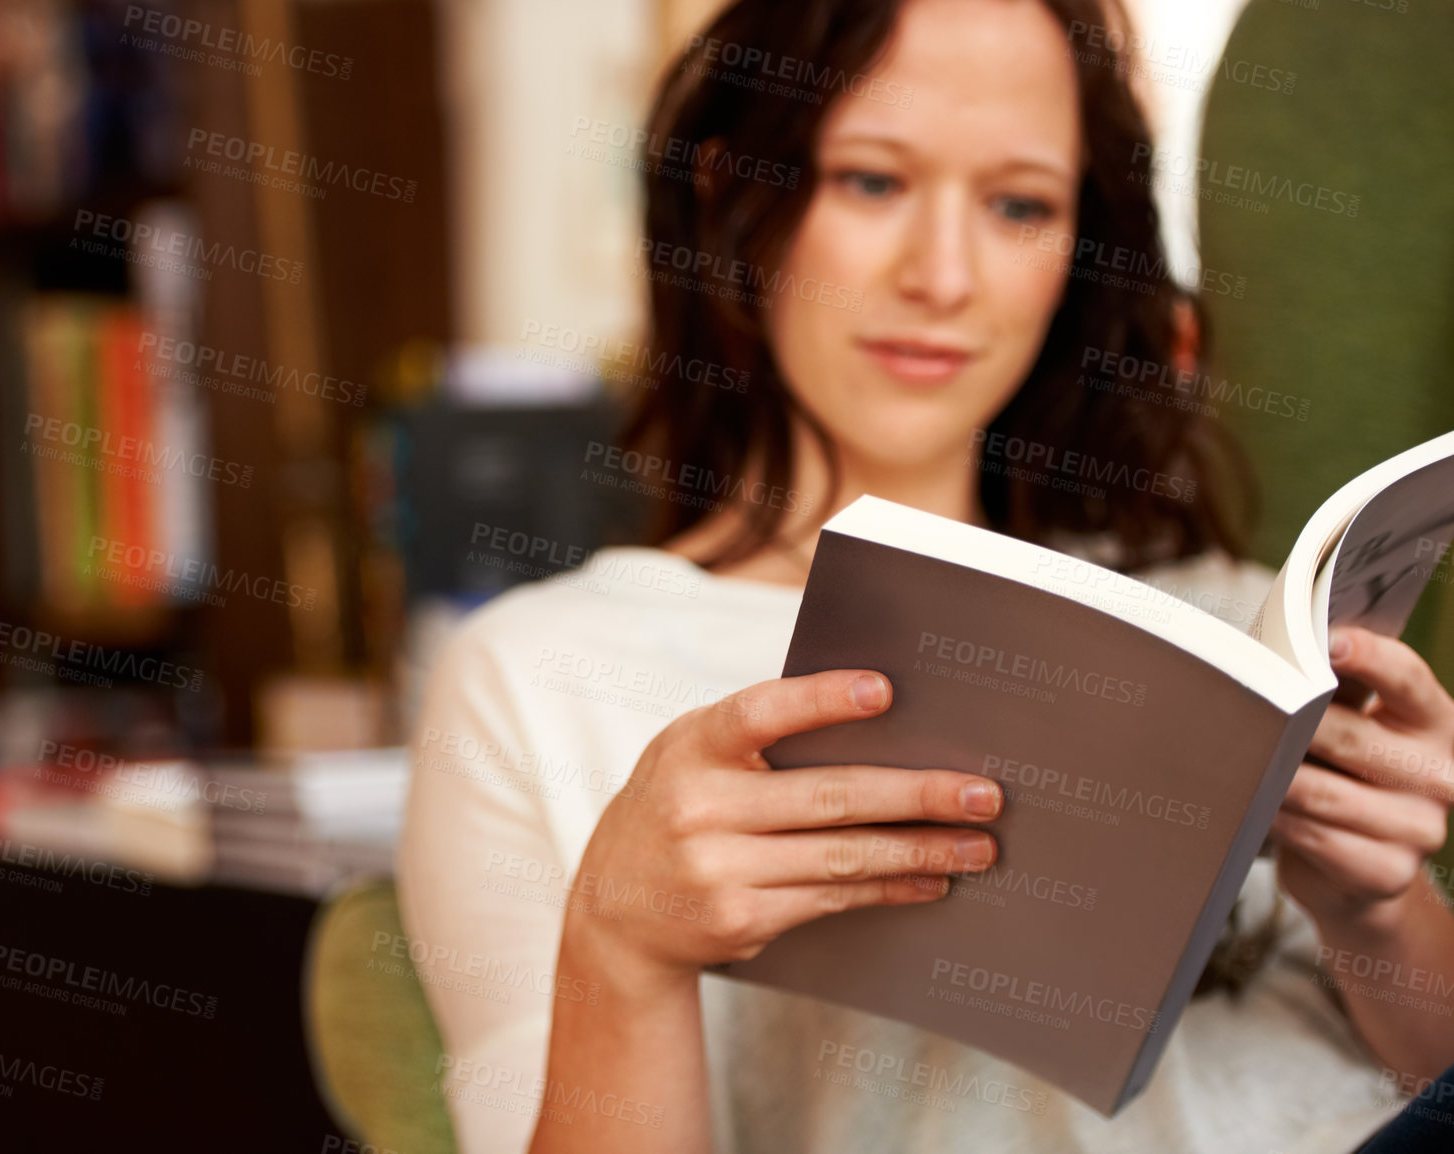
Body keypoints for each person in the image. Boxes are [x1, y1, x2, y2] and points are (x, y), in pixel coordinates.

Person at [397, 0, 1454, 1150]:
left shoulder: (1228, 619)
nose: (943, 275)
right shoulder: (532, 677)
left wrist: (1378, 904)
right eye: (871, 181)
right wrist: (622, 945)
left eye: (1018, 205)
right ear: (727, 193)